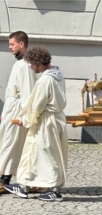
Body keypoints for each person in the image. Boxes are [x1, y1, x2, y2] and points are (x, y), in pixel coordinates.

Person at [4, 46, 68, 201]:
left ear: (38, 63)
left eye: (32, 64)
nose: (31, 68)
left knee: (48, 154)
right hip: (55, 120)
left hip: (46, 122)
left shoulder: (46, 80)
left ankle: (54, 190)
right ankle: (24, 184)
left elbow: (37, 105)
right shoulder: (58, 75)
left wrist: (24, 120)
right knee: (34, 153)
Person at [0, 31, 36, 193]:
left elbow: (27, 93)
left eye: (12, 44)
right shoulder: (20, 64)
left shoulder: (26, 65)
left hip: (18, 111)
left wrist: (23, 115)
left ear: (21, 44)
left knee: (11, 144)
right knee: (6, 142)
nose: (10, 47)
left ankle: (4, 179)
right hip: (11, 109)